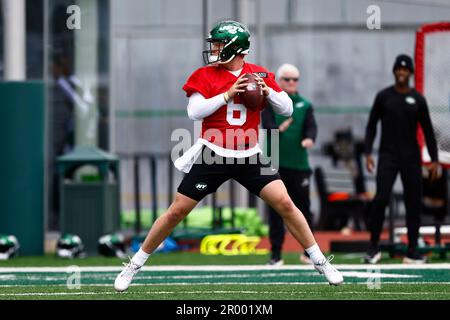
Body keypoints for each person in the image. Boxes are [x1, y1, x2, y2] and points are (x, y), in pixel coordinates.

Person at [114, 20, 343, 292]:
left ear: (235, 48)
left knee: (285, 203)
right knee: (177, 211)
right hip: (215, 153)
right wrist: (227, 95)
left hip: (249, 154)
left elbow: (288, 108)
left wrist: (268, 91)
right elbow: (194, 111)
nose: (214, 49)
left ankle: (319, 260)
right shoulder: (205, 75)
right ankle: (134, 264)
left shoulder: (259, 74)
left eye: (219, 44)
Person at [364, 54, 439, 264]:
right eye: (399, 69)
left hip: (411, 157)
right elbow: (371, 126)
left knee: (413, 202)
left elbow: (428, 131)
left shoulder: (418, 99)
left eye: (405, 70)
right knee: (380, 198)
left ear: (411, 73)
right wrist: (368, 152)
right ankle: (373, 247)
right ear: (394, 71)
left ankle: (412, 250)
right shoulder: (384, 97)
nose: (402, 73)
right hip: (387, 156)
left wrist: (433, 160)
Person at [262, 64, 317, 265]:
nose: (292, 83)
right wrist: (279, 128)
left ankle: (309, 252)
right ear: (279, 80)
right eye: (287, 79)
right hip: (275, 163)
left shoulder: (304, 104)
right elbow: (267, 127)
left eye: (295, 79)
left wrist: (309, 138)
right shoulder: (270, 102)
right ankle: (276, 253)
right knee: (276, 210)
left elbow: (311, 127)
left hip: (299, 164)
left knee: (303, 208)